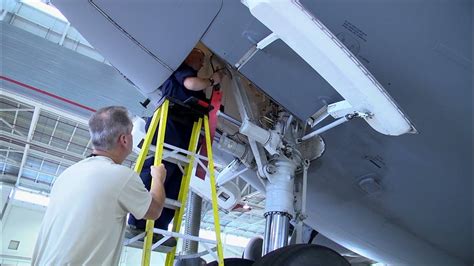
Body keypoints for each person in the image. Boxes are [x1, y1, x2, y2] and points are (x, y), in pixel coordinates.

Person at [32, 106, 167, 265]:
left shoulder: (68, 174)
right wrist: (158, 178)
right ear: (124, 139)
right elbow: (154, 210)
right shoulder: (120, 175)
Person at [127, 48, 225, 236]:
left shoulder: (192, 78)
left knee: (176, 179)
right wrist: (213, 79)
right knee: (158, 169)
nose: (203, 63)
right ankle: (138, 221)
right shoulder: (181, 70)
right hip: (168, 126)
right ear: (189, 55)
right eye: (201, 57)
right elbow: (191, 84)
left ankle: (159, 227)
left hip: (184, 132)